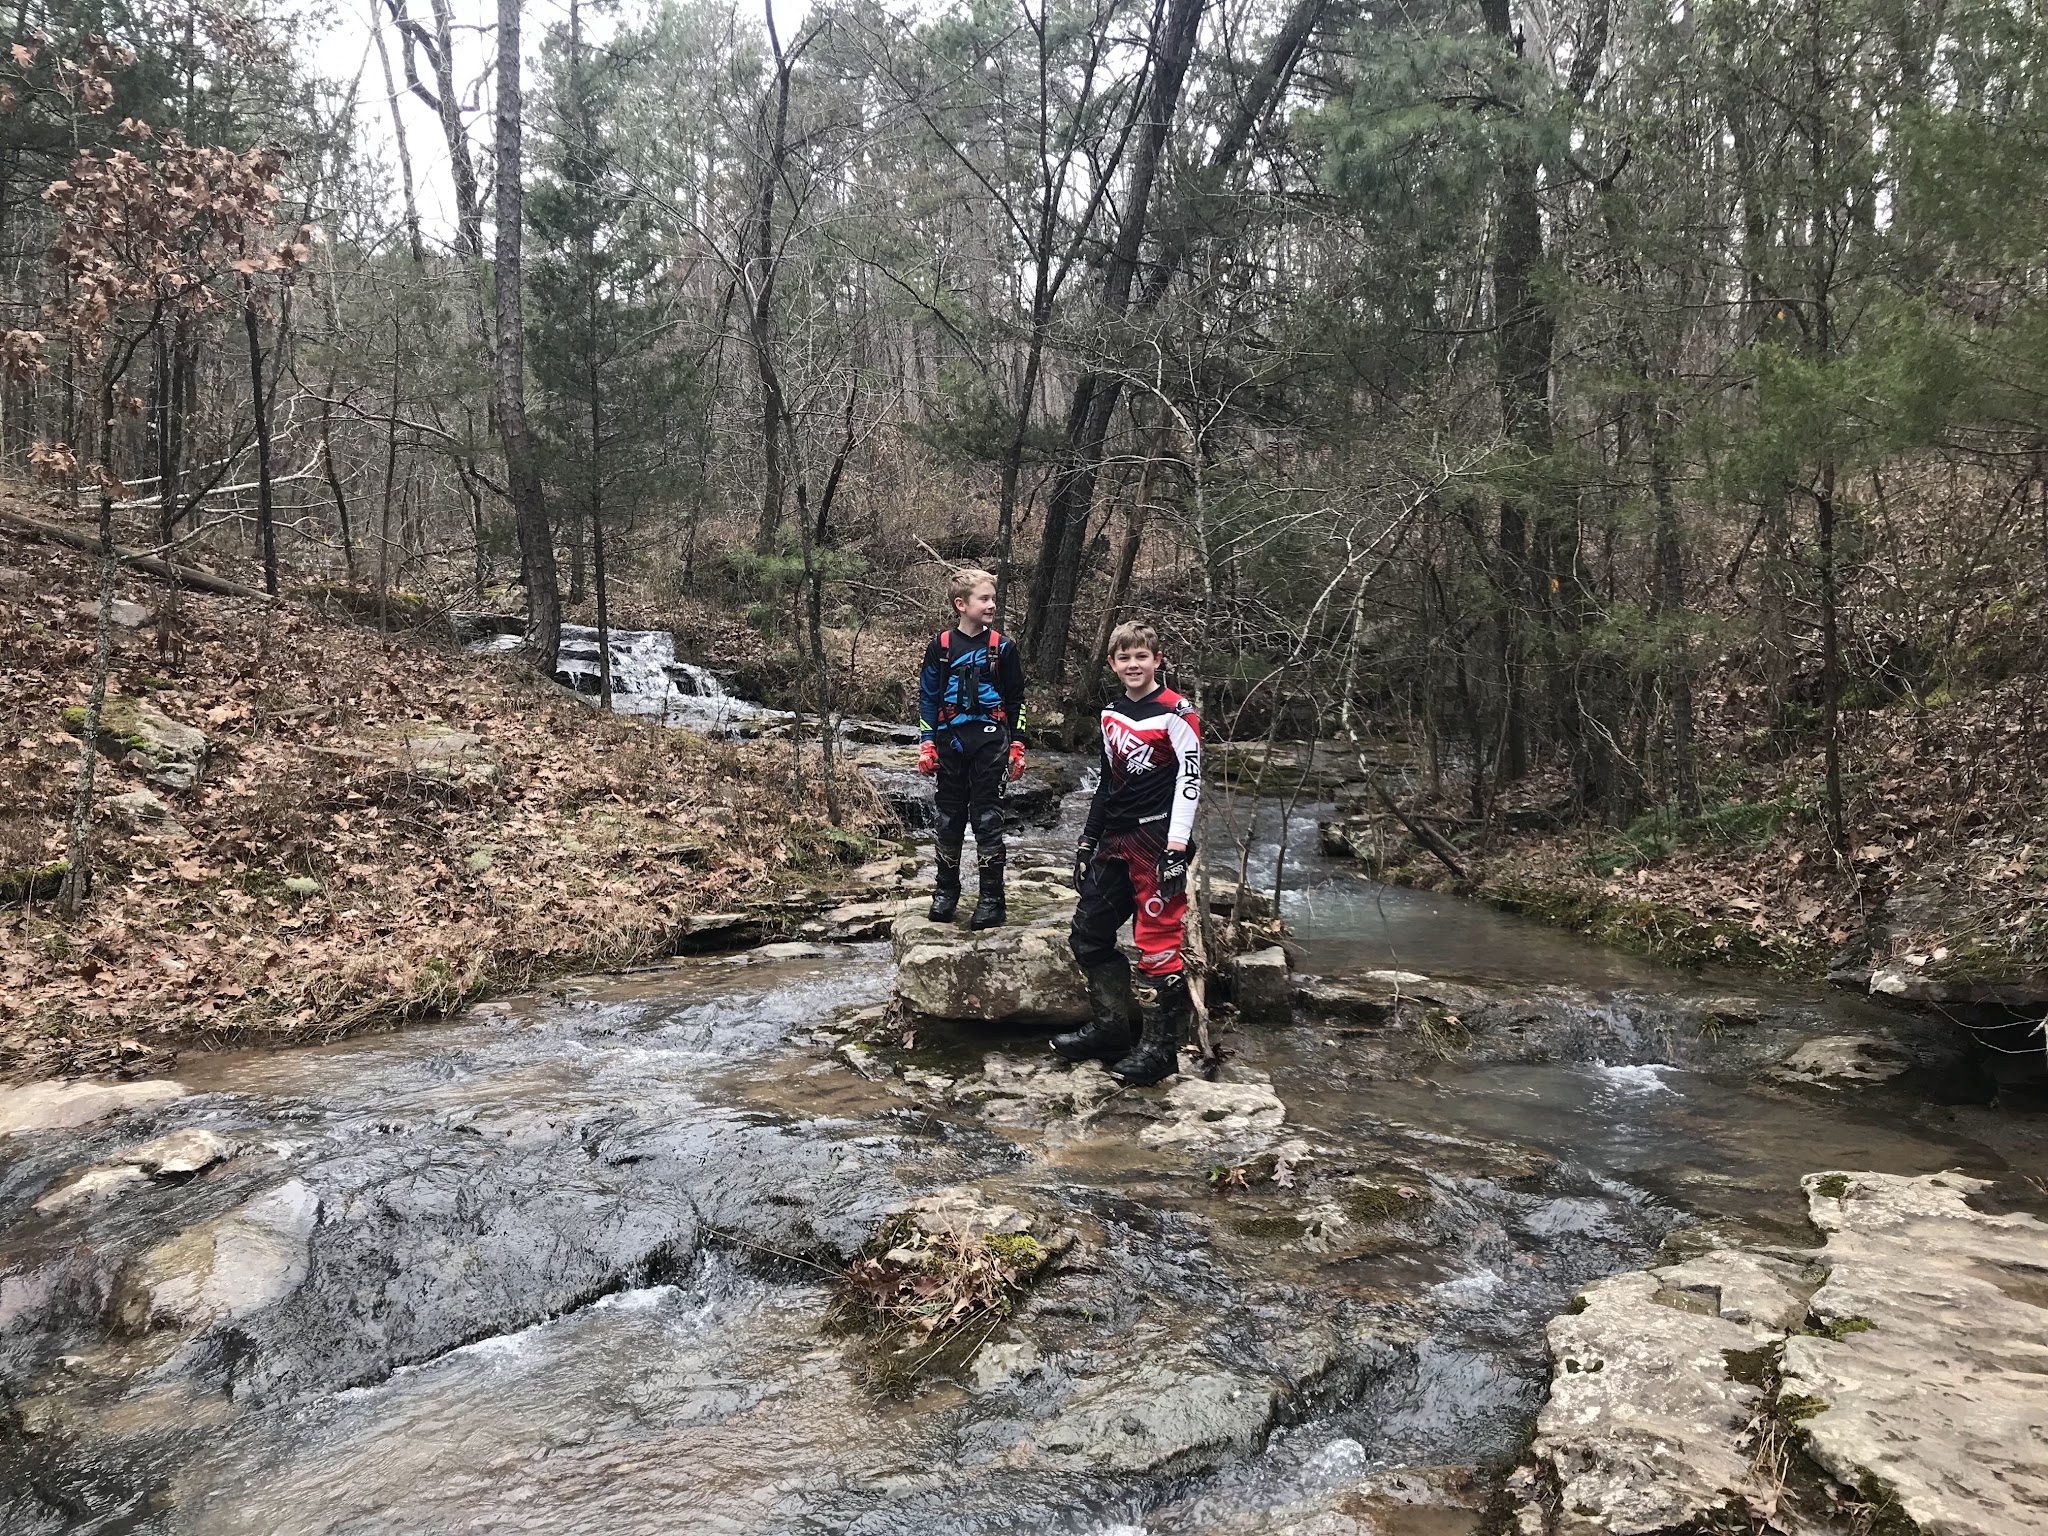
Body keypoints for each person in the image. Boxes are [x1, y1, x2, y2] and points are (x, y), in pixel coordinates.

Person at [1052, 621, 1200, 1086]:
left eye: (1142, 657)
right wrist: (1085, 842)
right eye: (1124, 658)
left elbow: (1189, 783)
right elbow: (1106, 782)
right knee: (1089, 935)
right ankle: (1111, 1029)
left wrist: (1176, 848)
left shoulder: (1178, 711)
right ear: (1113, 664)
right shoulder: (1111, 713)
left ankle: (1160, 1051)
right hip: (1114, 839)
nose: (1133, 665)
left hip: (1158, 840)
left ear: (1157, 660)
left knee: (1157, 945)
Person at [916, 568, 1026, 928]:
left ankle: (992, 899)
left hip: (991, 742)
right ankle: (946, 892)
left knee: (987, 819)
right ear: (961, 604)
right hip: (950, 743)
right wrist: (926, 743)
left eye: (993, 598)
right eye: (984, 598)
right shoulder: (941, 646)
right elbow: (928, 696)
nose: (991, 604)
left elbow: (1017, 699)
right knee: (948, 819)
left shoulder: (1004, 648)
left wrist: (1019, 745)